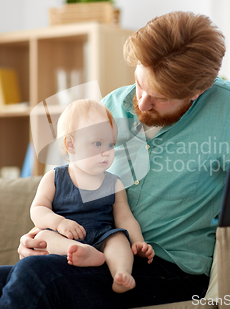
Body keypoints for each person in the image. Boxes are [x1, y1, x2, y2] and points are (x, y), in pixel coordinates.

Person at [0, 11, 230, 309]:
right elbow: (70, 187)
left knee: (34, 279)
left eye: (161, 96)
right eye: (140, 83)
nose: (142, 102)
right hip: (96, 254)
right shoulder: (111, 106)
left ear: (199, 91)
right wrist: (42, 237)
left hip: (169, 271)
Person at [30, 99, 154, 294]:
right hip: (64, 237)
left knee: (119, 239)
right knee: (44, 236)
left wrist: (138, 241)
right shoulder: (54, 178)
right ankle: (81, 252)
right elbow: (37, 210)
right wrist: (59, 223)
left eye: (111, 144)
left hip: (101, 236)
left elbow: (124, 217)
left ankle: (121, 274)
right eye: (97, 143)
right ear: (70, 144)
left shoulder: (113, 183)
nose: (106, 153)